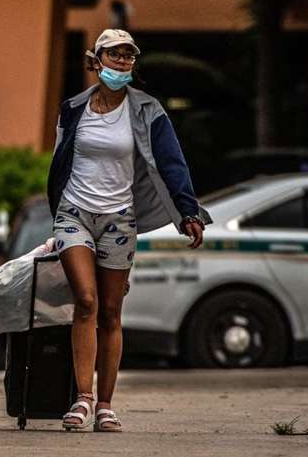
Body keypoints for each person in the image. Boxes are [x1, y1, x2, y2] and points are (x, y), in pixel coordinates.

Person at [47, 29, 211, 432]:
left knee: (111, 311)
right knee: (85, 301)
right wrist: (55, 210)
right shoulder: (73, 108)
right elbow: (58, 160)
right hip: (74, 212)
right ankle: (82, 399)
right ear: (96, 60)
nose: (121, 63)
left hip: (119, 217)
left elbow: (172, 162)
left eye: (128, 57)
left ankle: (106, 404)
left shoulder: (147, 110)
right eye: (114, 55)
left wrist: (188, 210)